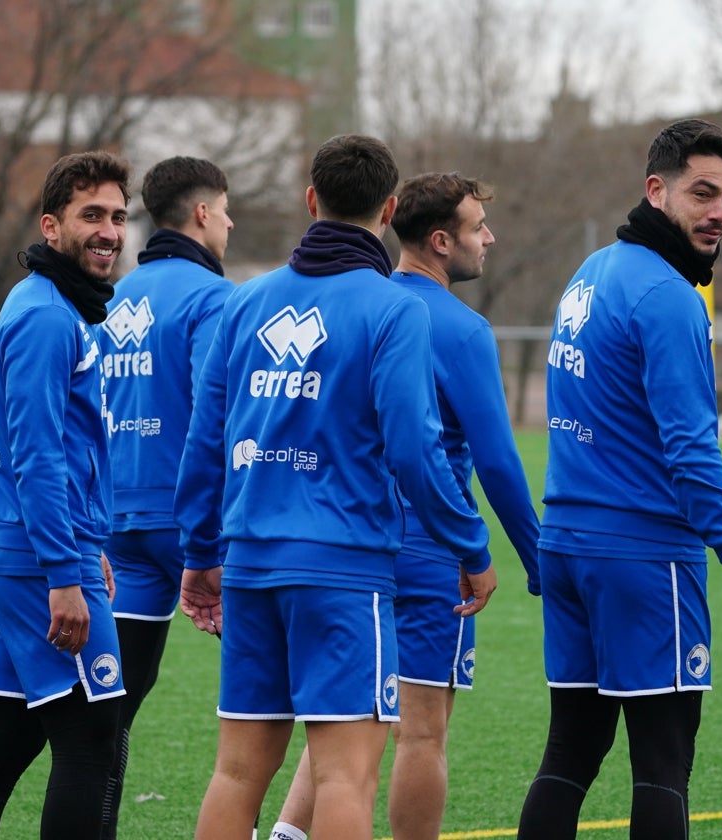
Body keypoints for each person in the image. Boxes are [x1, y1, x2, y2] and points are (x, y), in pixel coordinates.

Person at [174, 134, 498, 840]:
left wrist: (199, 556)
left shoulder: (245, 301)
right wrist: (470, 548)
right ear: (387, 210)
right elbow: (416, 450)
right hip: (344, 573)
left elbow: (205, 443)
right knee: (344, 776)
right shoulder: (392, 309)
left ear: (311, 199)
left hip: (252, 565)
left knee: (236, 774)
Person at [517, 119, 722, 839]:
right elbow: (693, 455)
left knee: (569, 753)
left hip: (567, 544)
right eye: (703, 193)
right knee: (663, 764)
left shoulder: (590, 271)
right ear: (655, 190)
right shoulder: (667, 297)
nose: (720, 211)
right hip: (641, 557)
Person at [267, 172, 541, 840]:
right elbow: (500, 463)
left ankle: (284, 836)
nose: (490, 238)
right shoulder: (460, 328)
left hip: (343, 541)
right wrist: (540, 561)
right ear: (442, 242)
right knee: (422, 733)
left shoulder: (356, 303)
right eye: (479, 227)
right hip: (428, 552)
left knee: (345, 721)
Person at [0, 151, 132, 840]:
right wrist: (66, 571)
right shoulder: (49, 317)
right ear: (52, 227)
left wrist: (88, 546)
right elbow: (39, 457)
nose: (108, 230)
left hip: (18, 553)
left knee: (5, 746)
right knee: (90, 746)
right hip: (36, 563)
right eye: (91, 216)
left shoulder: (45, 306)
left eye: (117, 216)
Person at [96, 156, 235, 838]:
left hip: (116, 523)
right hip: (194, 525)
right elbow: (219, 417)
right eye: (228, 210)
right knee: (288, 703)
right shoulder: (212, 296)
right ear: (203, 213)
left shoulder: (114, 293)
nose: (231, 224)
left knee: (114, 710)